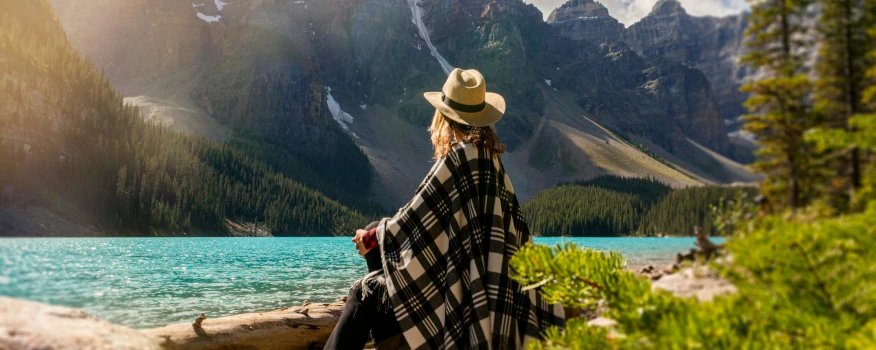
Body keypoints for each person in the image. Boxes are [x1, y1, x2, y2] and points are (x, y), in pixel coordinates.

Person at [324, 68, 565, 350]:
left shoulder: (459, 157)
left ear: (445, 117)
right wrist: (376, 233)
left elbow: (413, 221)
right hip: (487, 291)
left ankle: (399, 338)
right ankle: (396, 337)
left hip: (458, 296)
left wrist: (370, 239)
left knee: (362, 294)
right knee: (376, 236)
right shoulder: (491, 161)